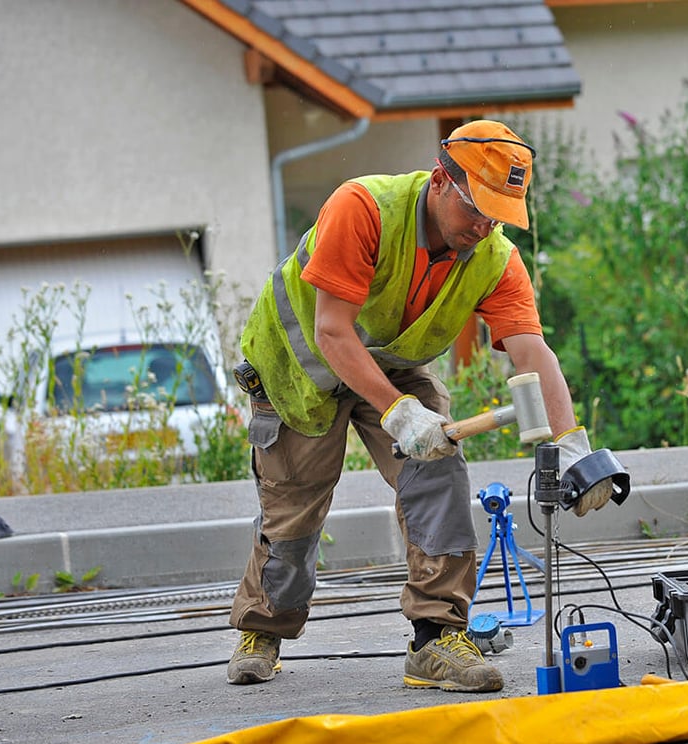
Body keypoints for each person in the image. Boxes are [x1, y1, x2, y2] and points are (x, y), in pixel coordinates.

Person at [225, 120, 613, 692]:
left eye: (497, 216)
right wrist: (401, 414)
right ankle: (264, 628)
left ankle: (437, 637)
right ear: (439, 181)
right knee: (292, 516)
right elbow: (332, 332)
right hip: (297, 369)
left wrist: (573, 444)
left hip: (389, 362)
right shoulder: (362, 208)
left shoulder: (494, 259)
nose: (483, 227)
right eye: (475, 209)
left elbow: (534, 352)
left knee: (438, 473)